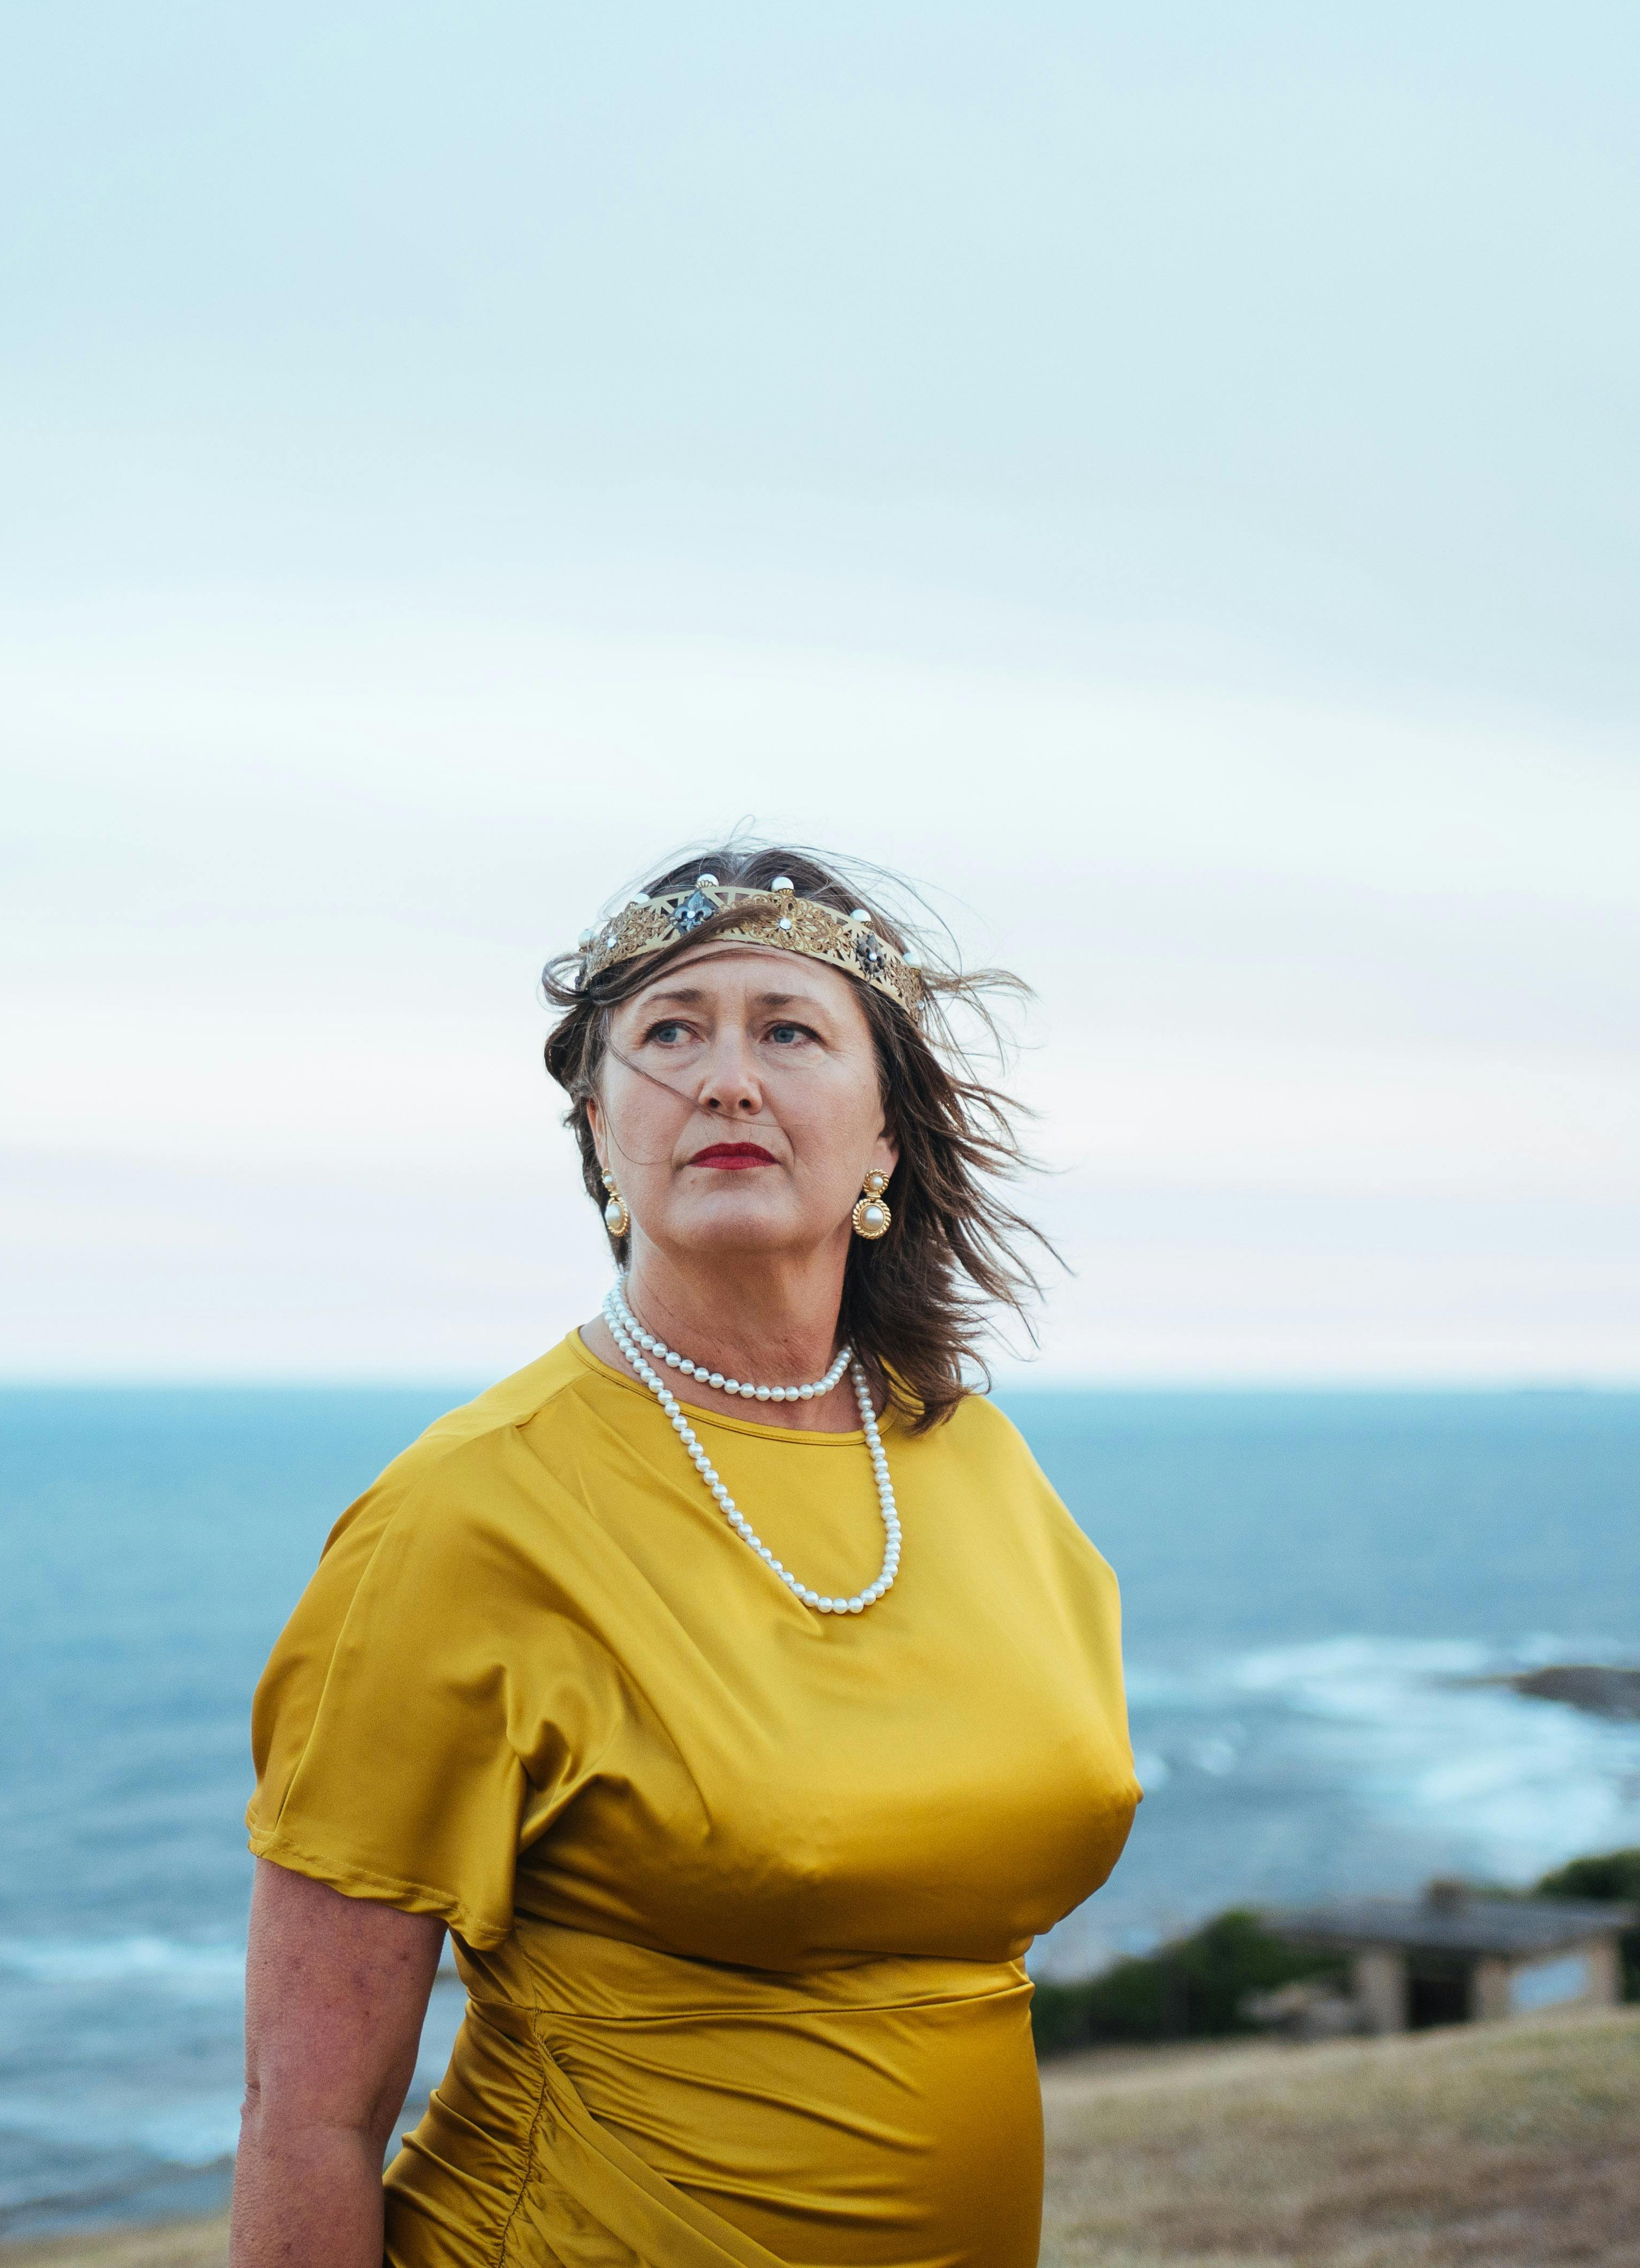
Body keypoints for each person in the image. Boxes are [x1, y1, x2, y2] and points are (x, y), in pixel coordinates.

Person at [233, 842, 1141, 2268]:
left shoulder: (974, 1466)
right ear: (597, 1128)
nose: (726, 1079)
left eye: (787, 1029)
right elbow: (306, 2114)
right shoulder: (466, 1514)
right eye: (668, 1034)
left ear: (886, 1135)